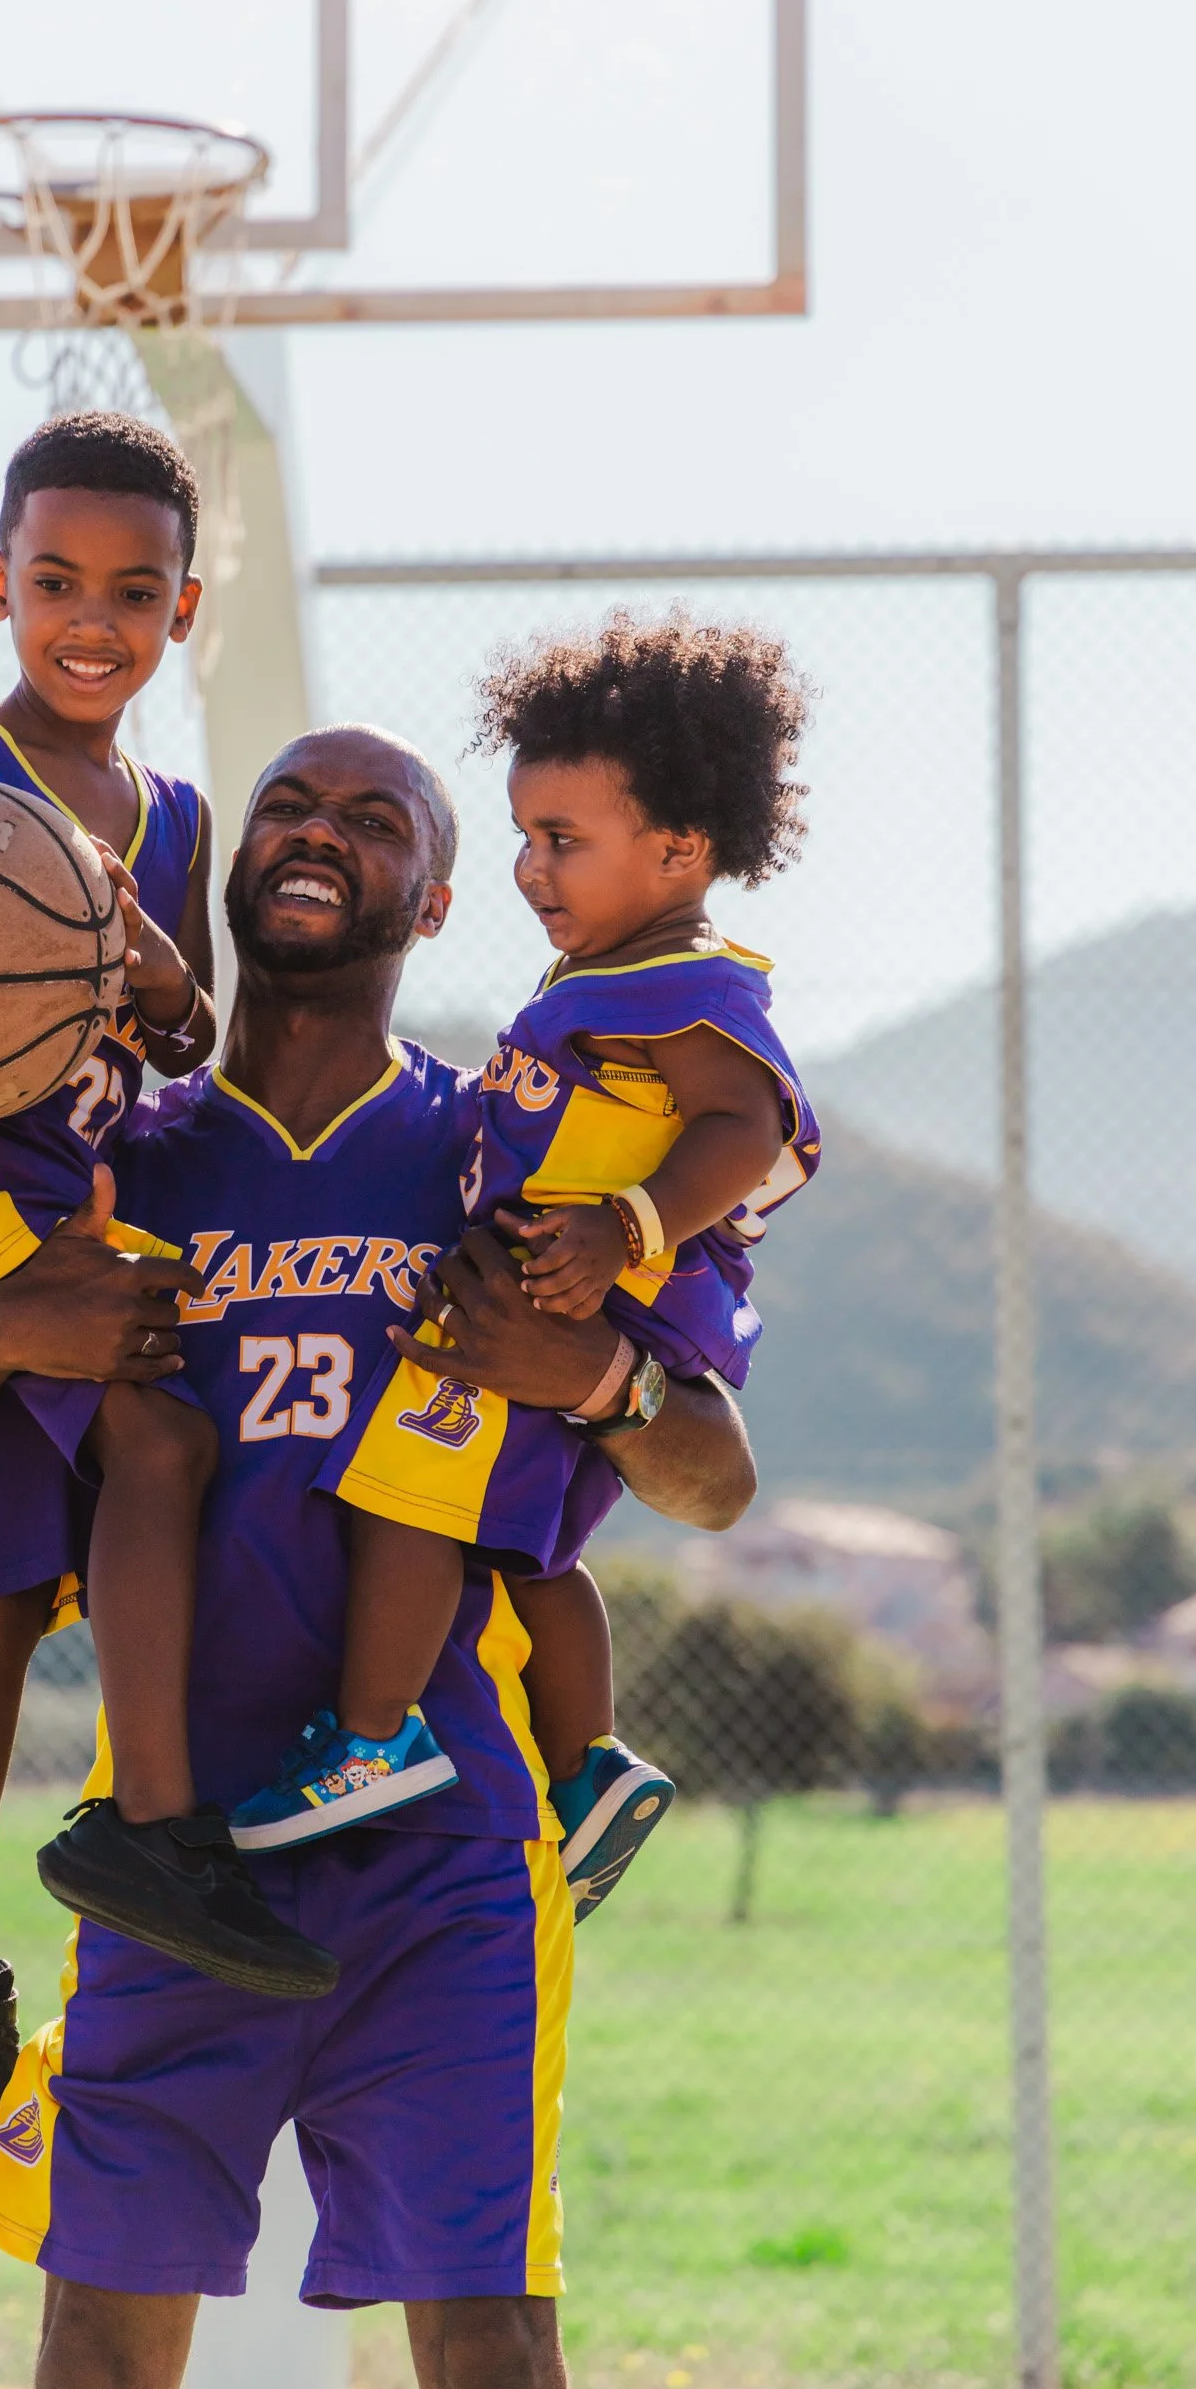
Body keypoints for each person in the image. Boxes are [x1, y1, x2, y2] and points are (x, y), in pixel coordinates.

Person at [0, 724, 759, 2389]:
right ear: (231, 871)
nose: (318, 834)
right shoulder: (114, 1158)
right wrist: (7, 1328)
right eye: (285, 807)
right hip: (174, 1857)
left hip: (448, 1851)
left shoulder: (507, 1150)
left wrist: (591, 1378)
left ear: (441, 892)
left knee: (488, 2340)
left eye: (372, 817)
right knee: (102, 2337)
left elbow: (712, 1477)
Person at [0, 411, 337, 2146]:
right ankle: (148, 1829)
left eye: (129, 587)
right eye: (50, 582)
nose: (85, 617)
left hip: (87, 1190)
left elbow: (179, 1032)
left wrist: (159, 969)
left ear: (184, 610)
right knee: (160, 1451)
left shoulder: (174, 816)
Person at [230, 610, 819, 1925]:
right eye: (523, 836)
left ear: (674, 849)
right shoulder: (612, 976)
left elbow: (749, 1127)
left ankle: (372, 1738)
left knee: (408, 1505)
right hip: (566, 1297)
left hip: (580, 1300)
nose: (530, 868)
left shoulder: (685, 984)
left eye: (563, 841)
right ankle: (589, 1761)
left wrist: (629, 1228)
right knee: (527, 1554)